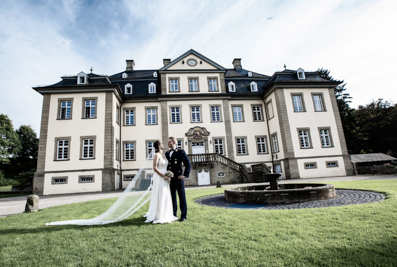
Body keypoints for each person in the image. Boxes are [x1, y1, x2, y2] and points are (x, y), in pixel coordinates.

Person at [144, 140, 178, 224]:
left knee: (165, 195)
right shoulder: (157, 155)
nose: (164, 144)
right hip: (159, 177)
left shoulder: (164, 155)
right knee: (160, 194)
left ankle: (165, 213)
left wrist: (169, 173)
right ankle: (158, 215)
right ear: (159, 146)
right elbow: (155, 168)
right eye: (162, 144)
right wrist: (164, 176)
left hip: (165, 176)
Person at [165, 137, 191, 222]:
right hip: (170, 179)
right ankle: (173, 214)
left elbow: (188, 163)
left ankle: (183, 215)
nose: (168, 143)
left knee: (181, 197)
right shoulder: (167, 153)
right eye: (168, 142)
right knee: (172, 197)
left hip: (178, 178)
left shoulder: (180, 152)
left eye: (169, 142)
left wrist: (185, 175)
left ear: (174, 142)